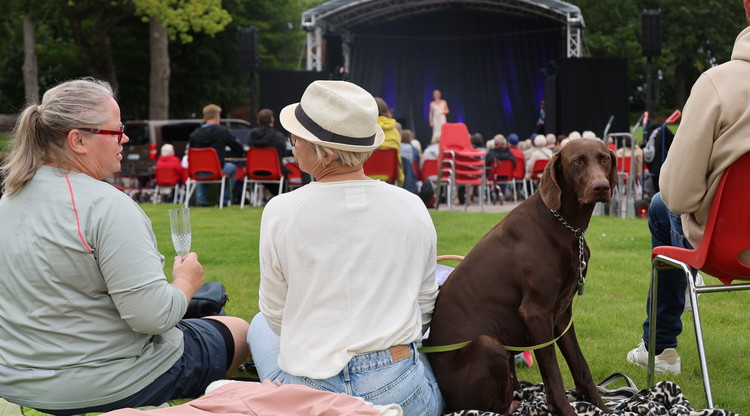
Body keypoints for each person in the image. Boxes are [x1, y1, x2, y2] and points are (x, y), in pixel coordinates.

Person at [0, 78, 250, 415]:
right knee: (240, 329)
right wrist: (186, 283)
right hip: (104, 383)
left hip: (16, 377)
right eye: (116, 131)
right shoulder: (106, 205)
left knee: (201, 317)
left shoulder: (10, 199)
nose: (125, 139)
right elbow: (152, 317)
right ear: (78, 140)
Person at [247, 80, 444, 416]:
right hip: (398, 389)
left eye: (297, 137)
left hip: (310, 392)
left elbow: (277, 316)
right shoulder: (412, 205)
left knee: (258, 325)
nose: (292, 144)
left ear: (324, 152)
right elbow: (426, 308)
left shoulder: (281, 211)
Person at [626, 1, 750, 375]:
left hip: (725, 249)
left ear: (747, 9)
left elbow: (680, 195)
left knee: (664, 205)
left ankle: (660, 349)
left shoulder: (717, 84)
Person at [187, 104, 244, 207]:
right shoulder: (221, 131)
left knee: (201, 169)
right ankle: (225, 200)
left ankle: (202, 200)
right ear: (217, 117)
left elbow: (190, 151)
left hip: (197, 171)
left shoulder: (195, 134)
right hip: (217, 170)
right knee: (232, 168)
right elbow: (238, 148)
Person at [247, 108, 291, 197]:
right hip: (275, 172)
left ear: (258, 122)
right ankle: (280, 197)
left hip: (254, 172)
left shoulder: (251, 136)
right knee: (285, 172)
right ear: (272, 120)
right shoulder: (279, 137)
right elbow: (283, 153)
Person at [375, 97, 405, 187]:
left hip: (364, 177)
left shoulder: (363, 129)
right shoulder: (395, 131)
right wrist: (400, 182)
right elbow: (398, 161)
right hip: (390, 178)